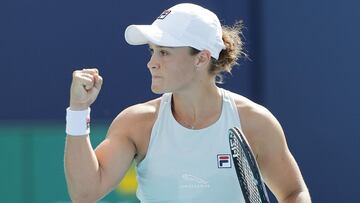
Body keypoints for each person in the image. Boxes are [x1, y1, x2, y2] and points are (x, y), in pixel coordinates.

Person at [64, 3, 311, 203]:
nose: (152, 63)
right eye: (152, 51)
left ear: (201, 58)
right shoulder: (136, 124)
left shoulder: (255, 122)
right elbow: (85, 194)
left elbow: (293, 193)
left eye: (164, 52)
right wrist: (78, 110)